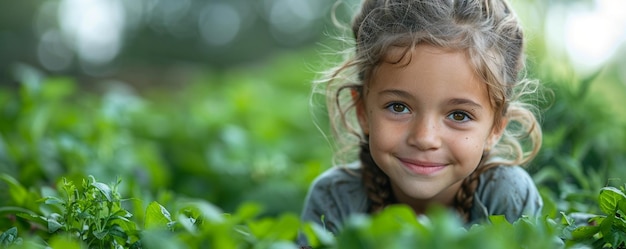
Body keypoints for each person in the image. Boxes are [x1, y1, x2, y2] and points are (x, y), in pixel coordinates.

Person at [299, 0, 544, 245]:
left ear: (494, 129)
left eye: (459, 115)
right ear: (362, 111)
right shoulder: (334, 199)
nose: (425, 138)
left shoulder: (506, 196)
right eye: (398, 107)